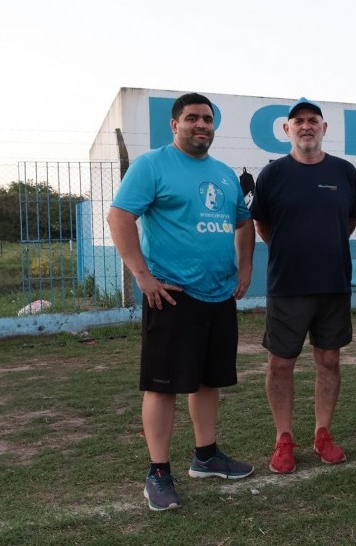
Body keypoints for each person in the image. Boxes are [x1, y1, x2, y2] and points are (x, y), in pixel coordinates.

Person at [107, 93, 255, 512]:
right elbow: (120, 217)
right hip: (172, 294)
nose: (201, 125)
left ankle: (206, 456)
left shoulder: (224, 174)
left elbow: (244, 223)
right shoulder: (152, 165)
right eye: (192, 118)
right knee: (163, 386)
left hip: (218, 295)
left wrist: (244, 270)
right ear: (175, 125)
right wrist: (143, 276)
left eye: (208, 119)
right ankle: (158, 472)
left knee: (208, 380)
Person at [249, 97, 356, 474]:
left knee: (329, 360)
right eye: (297, 121)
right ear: (287, 129)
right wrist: (291, 250)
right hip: (287, 284)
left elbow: (348, 222)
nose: (306, 126)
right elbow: (264, 226)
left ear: (324, 128)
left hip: (333, 283)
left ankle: (322, 433)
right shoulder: (273, 175)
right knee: (280, 363)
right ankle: (284, 438)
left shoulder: (345, 172)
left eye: (313, 120)